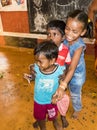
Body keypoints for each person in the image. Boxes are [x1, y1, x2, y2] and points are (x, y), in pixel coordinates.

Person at [52, 9, 89, 119]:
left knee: (75, 93)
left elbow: (72, 68)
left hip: (76, 75)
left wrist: (63, 85)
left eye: (74, 31)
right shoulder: (65, 40)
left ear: (82, 32)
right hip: (65, 71)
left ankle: (77, 108)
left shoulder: (79, 46)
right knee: (62, 90)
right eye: (67, 28)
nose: (69, 33)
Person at [32, 40, 66, 130]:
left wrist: (58, 96)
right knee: (39, 116)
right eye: (36, 61)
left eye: (40, 61)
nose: (37, 64)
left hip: (52, 101)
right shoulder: (36, 68)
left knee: (53, 114)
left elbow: (63, 86)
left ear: (52, 61)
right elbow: (33, 74)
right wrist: (30, 76)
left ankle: (54, 120)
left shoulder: (60, 71)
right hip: (38, 101)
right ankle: (42, 127)